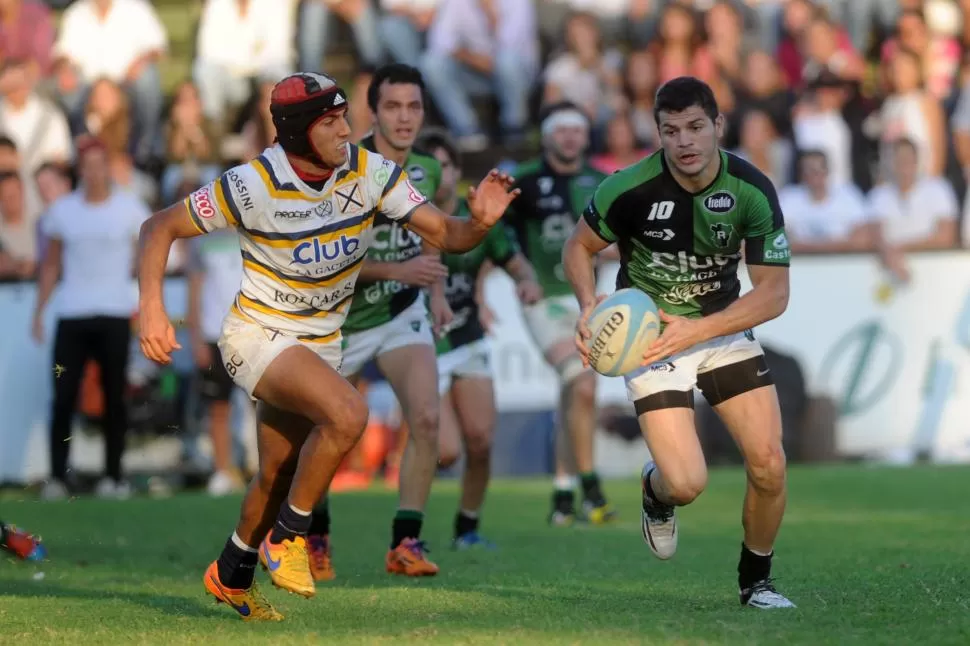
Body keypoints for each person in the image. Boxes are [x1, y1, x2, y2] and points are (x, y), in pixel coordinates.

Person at [136, 71, 518, 622]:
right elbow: (157, 228)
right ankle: (290, 538)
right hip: (257, 336)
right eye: (332, 121)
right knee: (348, 413)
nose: (348, 130)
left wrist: (478, 221)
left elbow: (448, 234)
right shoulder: (252, 184)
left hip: (320, 343)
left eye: (346, 117)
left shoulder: (372, 173)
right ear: (297, 132)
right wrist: (151, 306)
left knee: (276, 476)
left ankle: (230, 574)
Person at [563, 76, 795, 609]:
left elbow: (775, 293)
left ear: (718, 125)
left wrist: (700, 329)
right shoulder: (627, 188)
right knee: (686, 483)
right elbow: (578, 248)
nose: (685, 141)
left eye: (695, 127)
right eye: (672, 131)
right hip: (649, 339)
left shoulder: (751, 188)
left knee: (769, 464)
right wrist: (586, 303)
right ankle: (656, 491)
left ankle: (755, 581)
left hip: (720, 328)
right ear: (659, 134)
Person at [308, 64, 451, 580]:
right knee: (326, 432)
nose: (405, 117)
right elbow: (323, 256)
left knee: (428, 419)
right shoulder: (344, 166)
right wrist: (399, 268)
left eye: (414, 107)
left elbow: (437, 224)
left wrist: (433, 290)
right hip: (338, 321)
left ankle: (405, 542)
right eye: (393, 107)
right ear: (373, 112)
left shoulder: (429, 169)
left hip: (399, 311)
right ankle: (315, 535)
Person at [420, 129, 543, 549]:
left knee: (482, 440)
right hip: (421, 345)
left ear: (456, 171)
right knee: (447, 450)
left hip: (467, 337)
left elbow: (516, 262)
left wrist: (526, 283)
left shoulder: (480, 220)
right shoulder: (406, 217)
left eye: (447, 166)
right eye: (430, 167)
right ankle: (408, 530)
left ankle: (467, 528)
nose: (440, 176)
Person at [502, 101, 614, 526]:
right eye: (561, 129)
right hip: (544, 300)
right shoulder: (525, 182)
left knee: (576, 393)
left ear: (586, 136)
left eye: (577, 129)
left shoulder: (602, 182)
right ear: (548, 136)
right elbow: (494, 232)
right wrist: (519, 273)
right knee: (582, 384)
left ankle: (564, 495)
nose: (570, 137)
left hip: (589, 300)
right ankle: (593, 490)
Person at [31, 135, 150, 500]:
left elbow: (146, 256)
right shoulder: (63, 211)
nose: (95, 172)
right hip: (73, 315)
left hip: (114, 314)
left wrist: (147, 303)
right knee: (63, 395)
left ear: (108, 167)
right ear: (80, 170)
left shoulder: (130, 208)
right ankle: (57, 476)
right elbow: (51, 264)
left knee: (115, 398)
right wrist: (39, 311)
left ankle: (113, 476)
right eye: (88, 165)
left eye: (101, 164)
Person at [186, 226, 252, 496]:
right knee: (218, 408)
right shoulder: (202, 242)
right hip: (215, 335)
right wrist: (196, 338)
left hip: (253, 333)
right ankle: (222, 471)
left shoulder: (256, 232)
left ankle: (267, 470)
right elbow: (194, 292)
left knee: (264, 407)